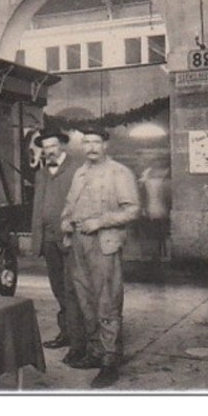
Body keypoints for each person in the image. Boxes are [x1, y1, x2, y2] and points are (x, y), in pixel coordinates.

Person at [60, 125, 140, 388]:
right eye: (86, 143)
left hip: (103, 243)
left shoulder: (119, 173)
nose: (91, 147)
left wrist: (101, 222)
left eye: (96, 142)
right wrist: (66, 221)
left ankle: (110, 360)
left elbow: (132, 210)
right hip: (79, 244)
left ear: (106, 145)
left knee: (107, 302)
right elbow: (70, 205)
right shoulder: (80, 173)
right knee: (85, 301)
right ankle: (94, 353)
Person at [30, 126, 81, 351]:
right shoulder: (40, 174)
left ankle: (80, 338)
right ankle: (66, 332)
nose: (49, 150)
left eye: (53, 146)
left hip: (70, 240)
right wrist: (36, 239)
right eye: (45, 147)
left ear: (61, 146)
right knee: (58, 288)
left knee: (74, 290)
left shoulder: (76, 170)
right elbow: (37, 208)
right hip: (49, 239)